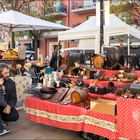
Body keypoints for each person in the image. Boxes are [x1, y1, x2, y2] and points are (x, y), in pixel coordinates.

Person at [0, 63, 19, 135]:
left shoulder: (11, 83)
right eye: (5, 73)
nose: (8, 75)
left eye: (8, 72)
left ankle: (2, 119)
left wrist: (9, 106)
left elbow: (13, 97)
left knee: (15, 116)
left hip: (4, 105)